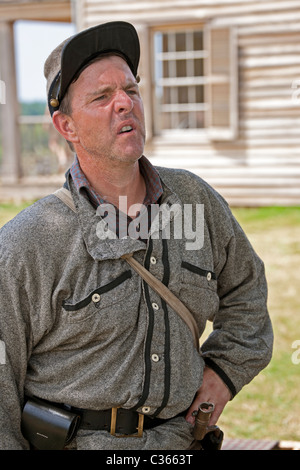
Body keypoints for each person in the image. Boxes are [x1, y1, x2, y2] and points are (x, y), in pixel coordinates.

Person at [0, 21, 273, 450]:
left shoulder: (195, 202)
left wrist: (223, 373)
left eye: (131, 90)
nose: (125, 104)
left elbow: (247, 291)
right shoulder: (26, 244)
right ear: (66, 126)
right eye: (102, 97)